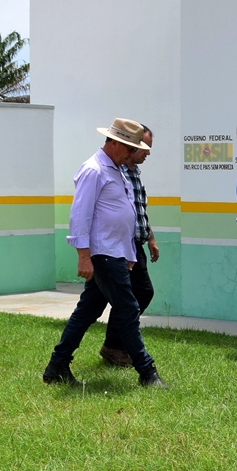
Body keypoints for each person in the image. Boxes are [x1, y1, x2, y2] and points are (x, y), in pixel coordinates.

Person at [43, 118, 167, 388]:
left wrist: (130, 255)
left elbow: (127, 215)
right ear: (113, 143)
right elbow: (80, 216)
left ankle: (57, 366)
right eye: (129, 148)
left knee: (87, 311)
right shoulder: (94, 170)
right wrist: (83, 256)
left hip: (116, 253)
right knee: (128, 309)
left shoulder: (117, 169)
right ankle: (147, 372)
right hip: (103, 254)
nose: (132, 154)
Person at [99, 125, 159, 367]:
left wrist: (150, 237)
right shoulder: (116, 171)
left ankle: (114, 345)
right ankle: (116, 347)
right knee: (135, 295)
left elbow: (138, 210)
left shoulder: (134, 173)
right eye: (143, 147)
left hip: (136, 243)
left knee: (135, 295)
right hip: (121, 245)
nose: (147, 152)